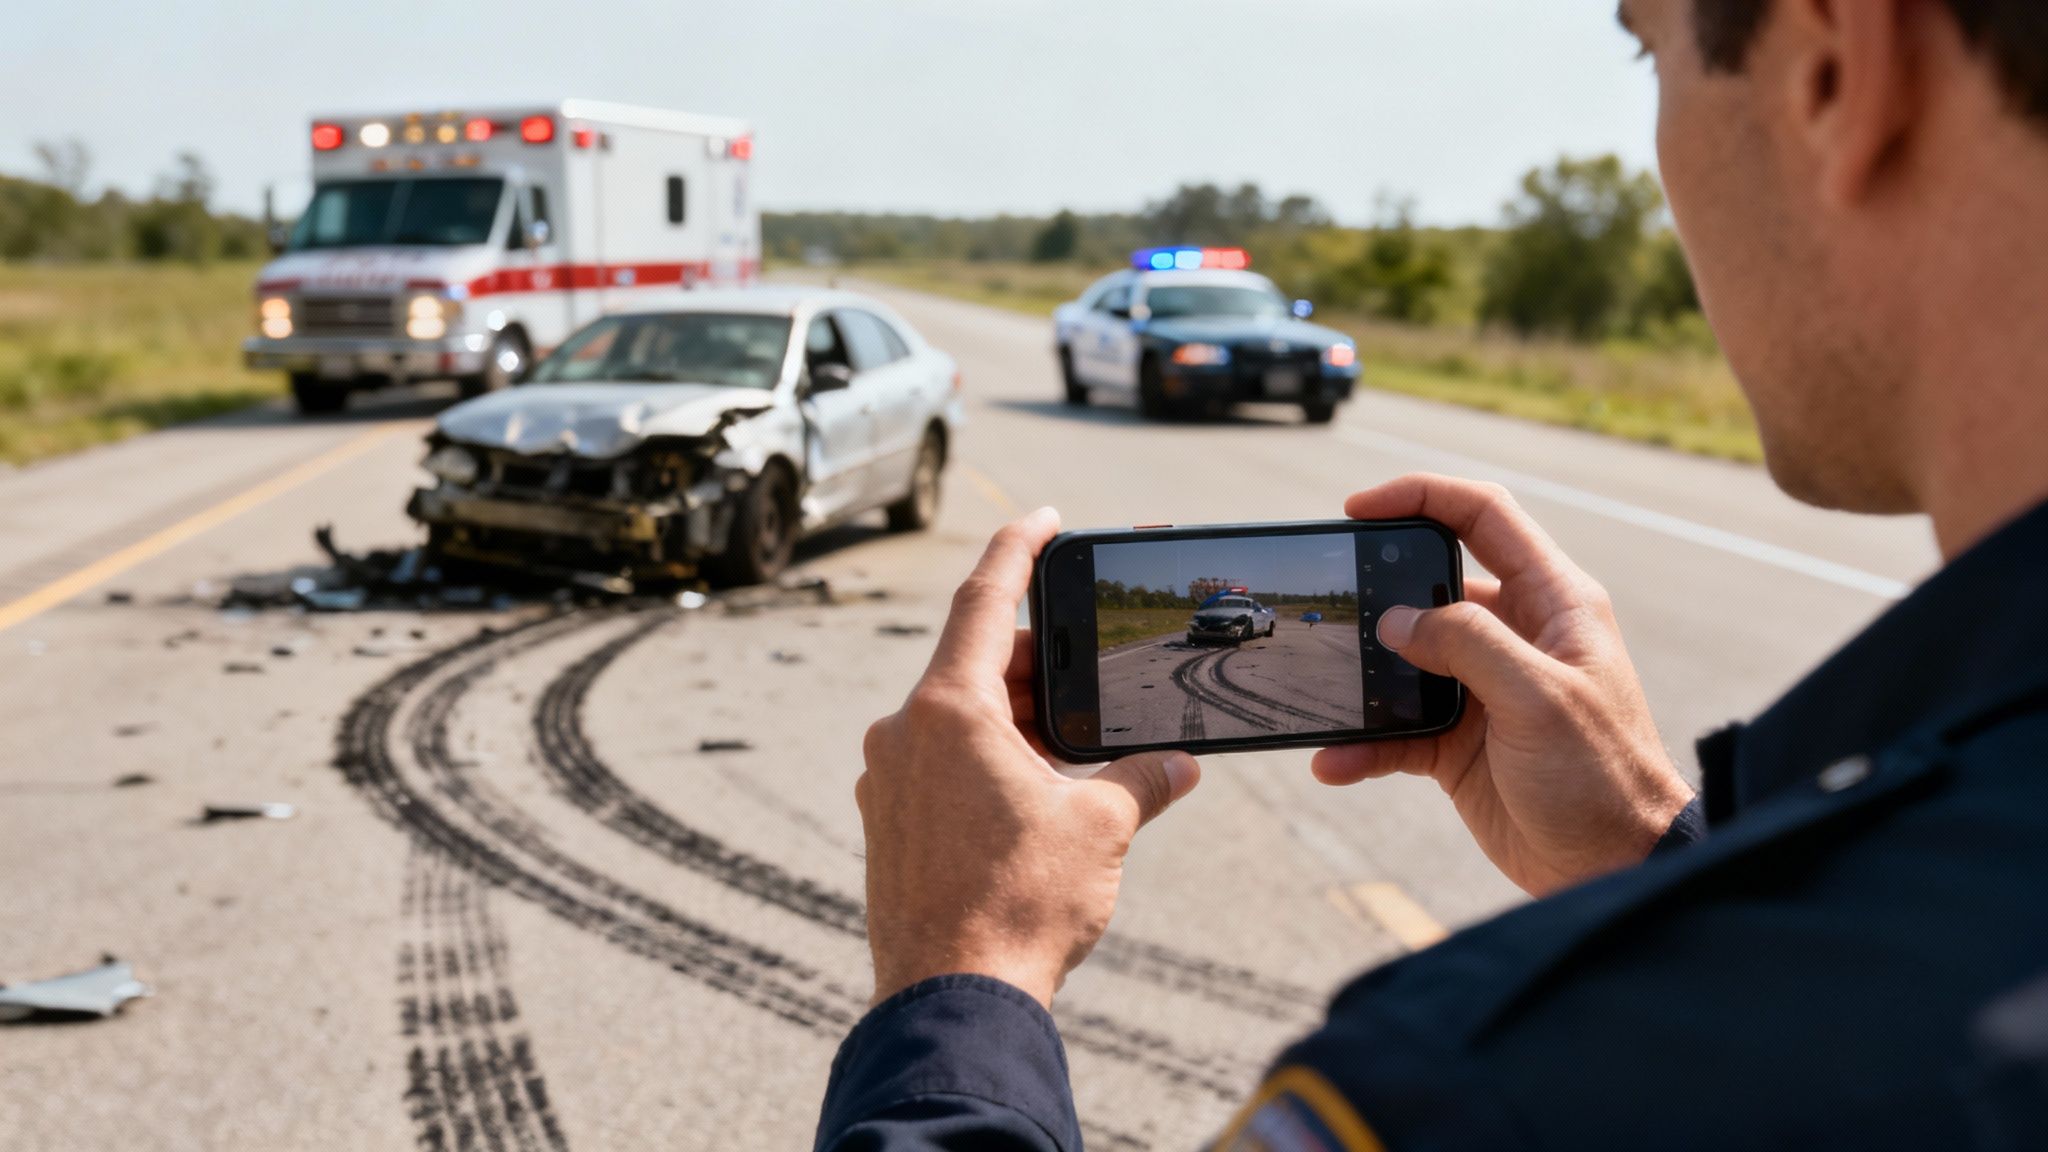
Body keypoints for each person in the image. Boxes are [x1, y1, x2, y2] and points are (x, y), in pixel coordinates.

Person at [816, 0, 2048, 1146]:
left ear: (1832, 67)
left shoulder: (1467, 1090)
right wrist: (1653, 857)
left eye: (1646, 46)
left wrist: (955, 975)